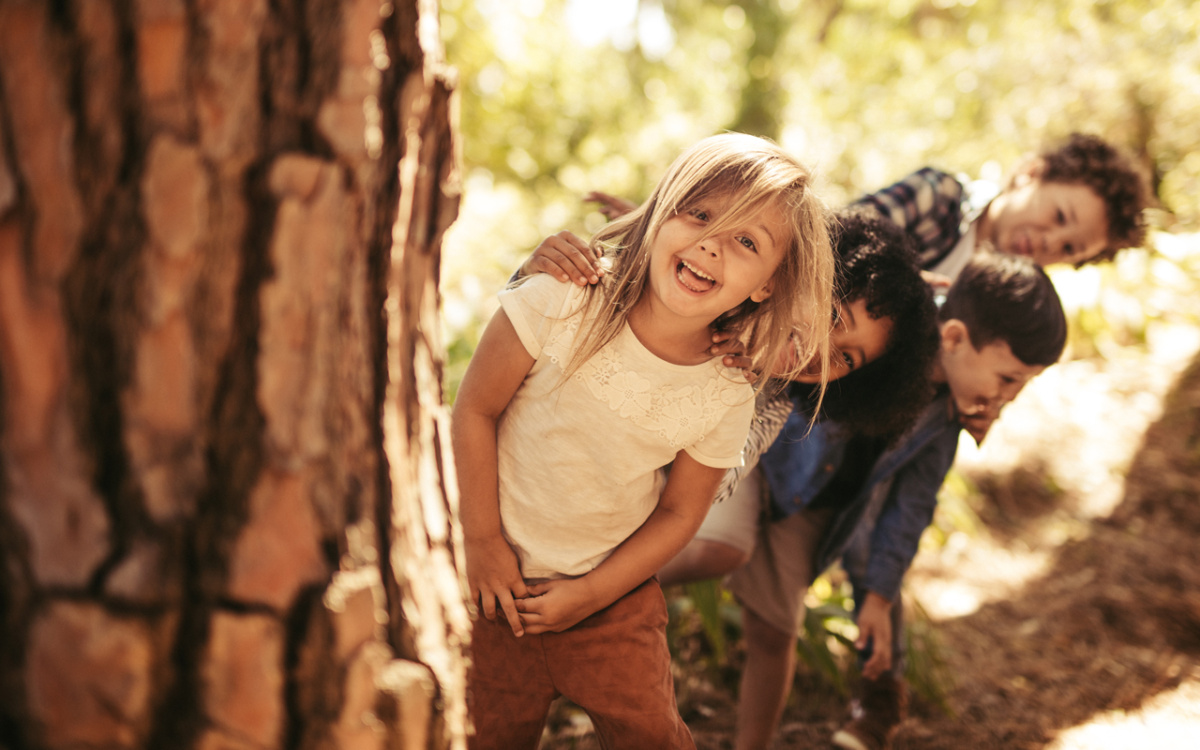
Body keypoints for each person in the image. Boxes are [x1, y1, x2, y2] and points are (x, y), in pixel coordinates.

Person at [451, 132, 835, 750]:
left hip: (610, 604)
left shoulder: (726, 391)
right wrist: (482, 541)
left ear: (767, 284)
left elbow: (681, 512)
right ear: (661, 211)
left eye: (746, 241)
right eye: (701, 213)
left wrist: (591, 594)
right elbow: (474, 409)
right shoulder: (563, 296)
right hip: (490, 584)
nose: (711, 242)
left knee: (653, 737)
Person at [697, 253, 1068, 750]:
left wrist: (877, 596)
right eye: (1008, 379)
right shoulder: (892, 324)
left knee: (775, 632)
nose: (1007, 399)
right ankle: (609, 596)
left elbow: (910, 505)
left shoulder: (945, 415)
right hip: (765, 456)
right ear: (954, 338)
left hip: (814, 507)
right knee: (715, 545)